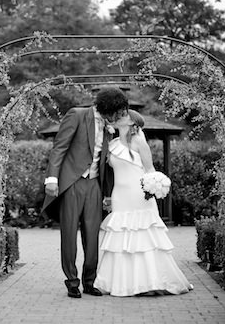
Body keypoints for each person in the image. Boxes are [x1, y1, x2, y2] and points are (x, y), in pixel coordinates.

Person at [94, 109, 193, 296]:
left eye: (124, 116)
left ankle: (149, 283)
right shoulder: (113, 144)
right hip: (119, 195)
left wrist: (154, 187)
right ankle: (121, 283)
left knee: (142, 236)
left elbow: (150, 170)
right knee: (121, 236)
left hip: (139, 195)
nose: (119, 117)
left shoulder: (139, 142)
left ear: (133, 123)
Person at [42, 87, 129, 299]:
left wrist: (108, 194)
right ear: (109, 108)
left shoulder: (110, 128)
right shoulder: (77, 115)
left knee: (93, 236)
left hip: (94, 186)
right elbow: (59, 148)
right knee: (69, 234)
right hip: (72, 182)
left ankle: (90, 281)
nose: (119, 116)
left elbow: (107, 166)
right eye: (117, 111)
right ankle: (72, 282)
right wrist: (52, 179)